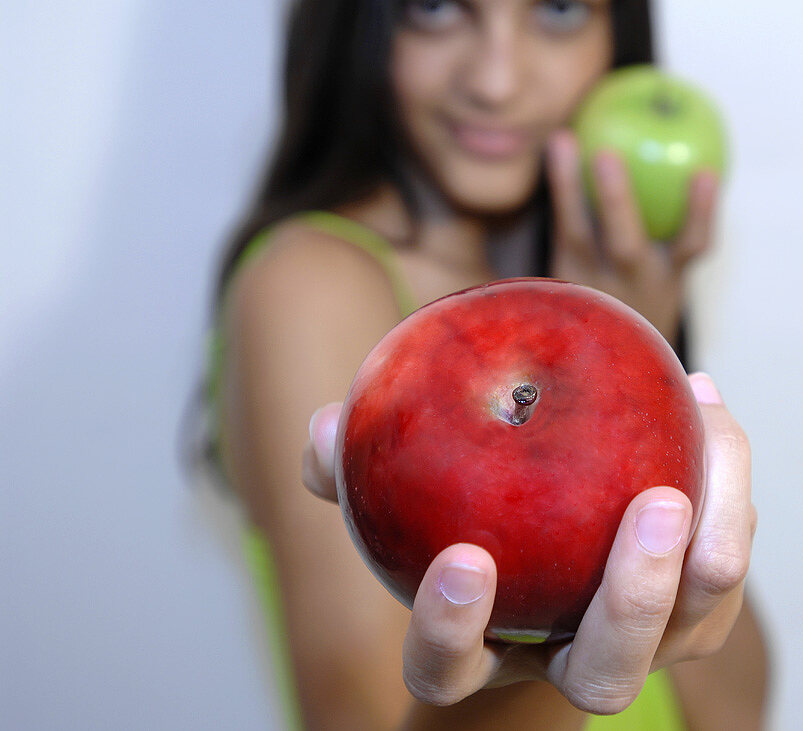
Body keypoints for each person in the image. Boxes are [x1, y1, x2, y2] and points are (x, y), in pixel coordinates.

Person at [204, 0, 768, 727]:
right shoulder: (310, 283)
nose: (496, 80)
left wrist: (638, 358)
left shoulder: (580, 305)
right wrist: (547, 661)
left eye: (559, 9)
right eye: (434, 8)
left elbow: (736, 707)